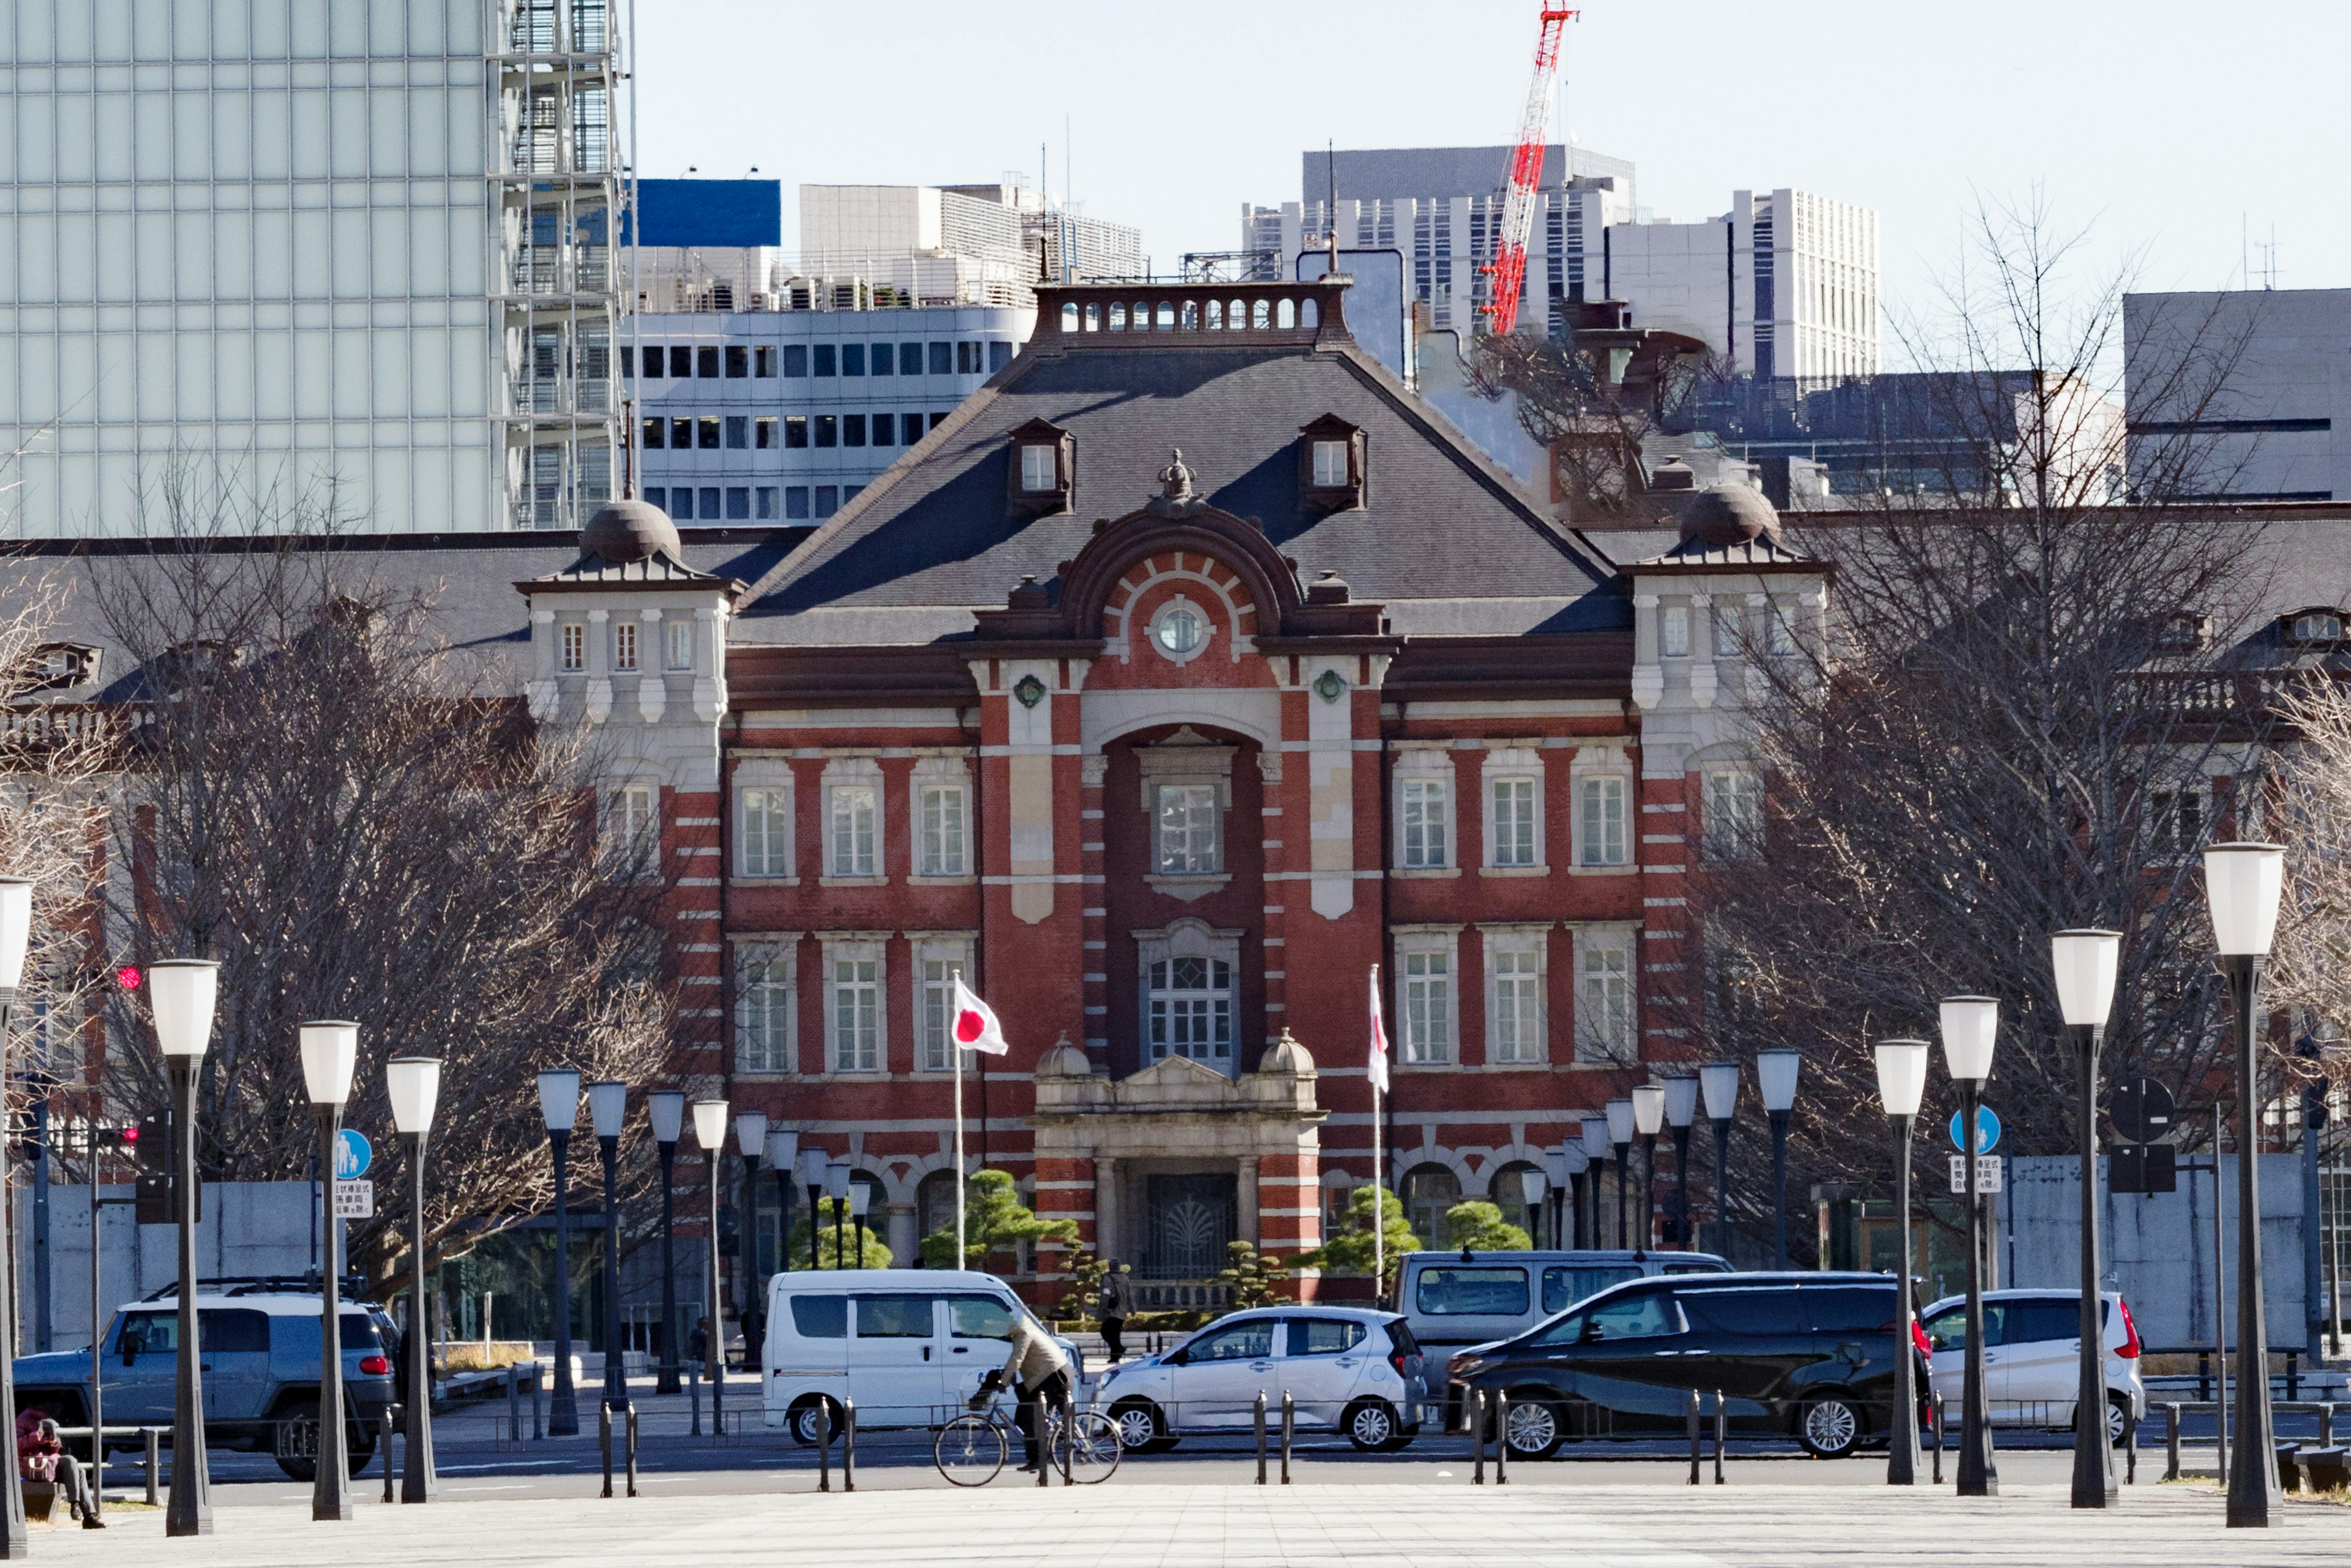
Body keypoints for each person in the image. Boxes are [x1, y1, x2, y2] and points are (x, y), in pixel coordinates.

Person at [970, 1310, 1071, 1474]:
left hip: (1054, 1378)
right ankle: (1038, 1449)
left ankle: (1038, 1459)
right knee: (1022, 1416)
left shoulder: (1024, 1333)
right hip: (1044, 1377)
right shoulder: (1022, 1332)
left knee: (1030, 1416)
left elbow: (1017, 1359)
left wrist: (1003, 1382)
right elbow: (1016, 1362)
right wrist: (1003, 1378)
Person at [1098, 1261, 1135, 1364]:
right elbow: (1130, 1294)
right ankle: (1115, 1356)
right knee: (1115, 1334)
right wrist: (1132, 1308)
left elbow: (1106, 1293)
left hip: (1111, 1311)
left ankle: (1118, 1349)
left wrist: (1105, 1307)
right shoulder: (1125, 1278)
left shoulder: (1107, 1279)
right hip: (1122, 1311)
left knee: (1105, 1332)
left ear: (1110, 1266)